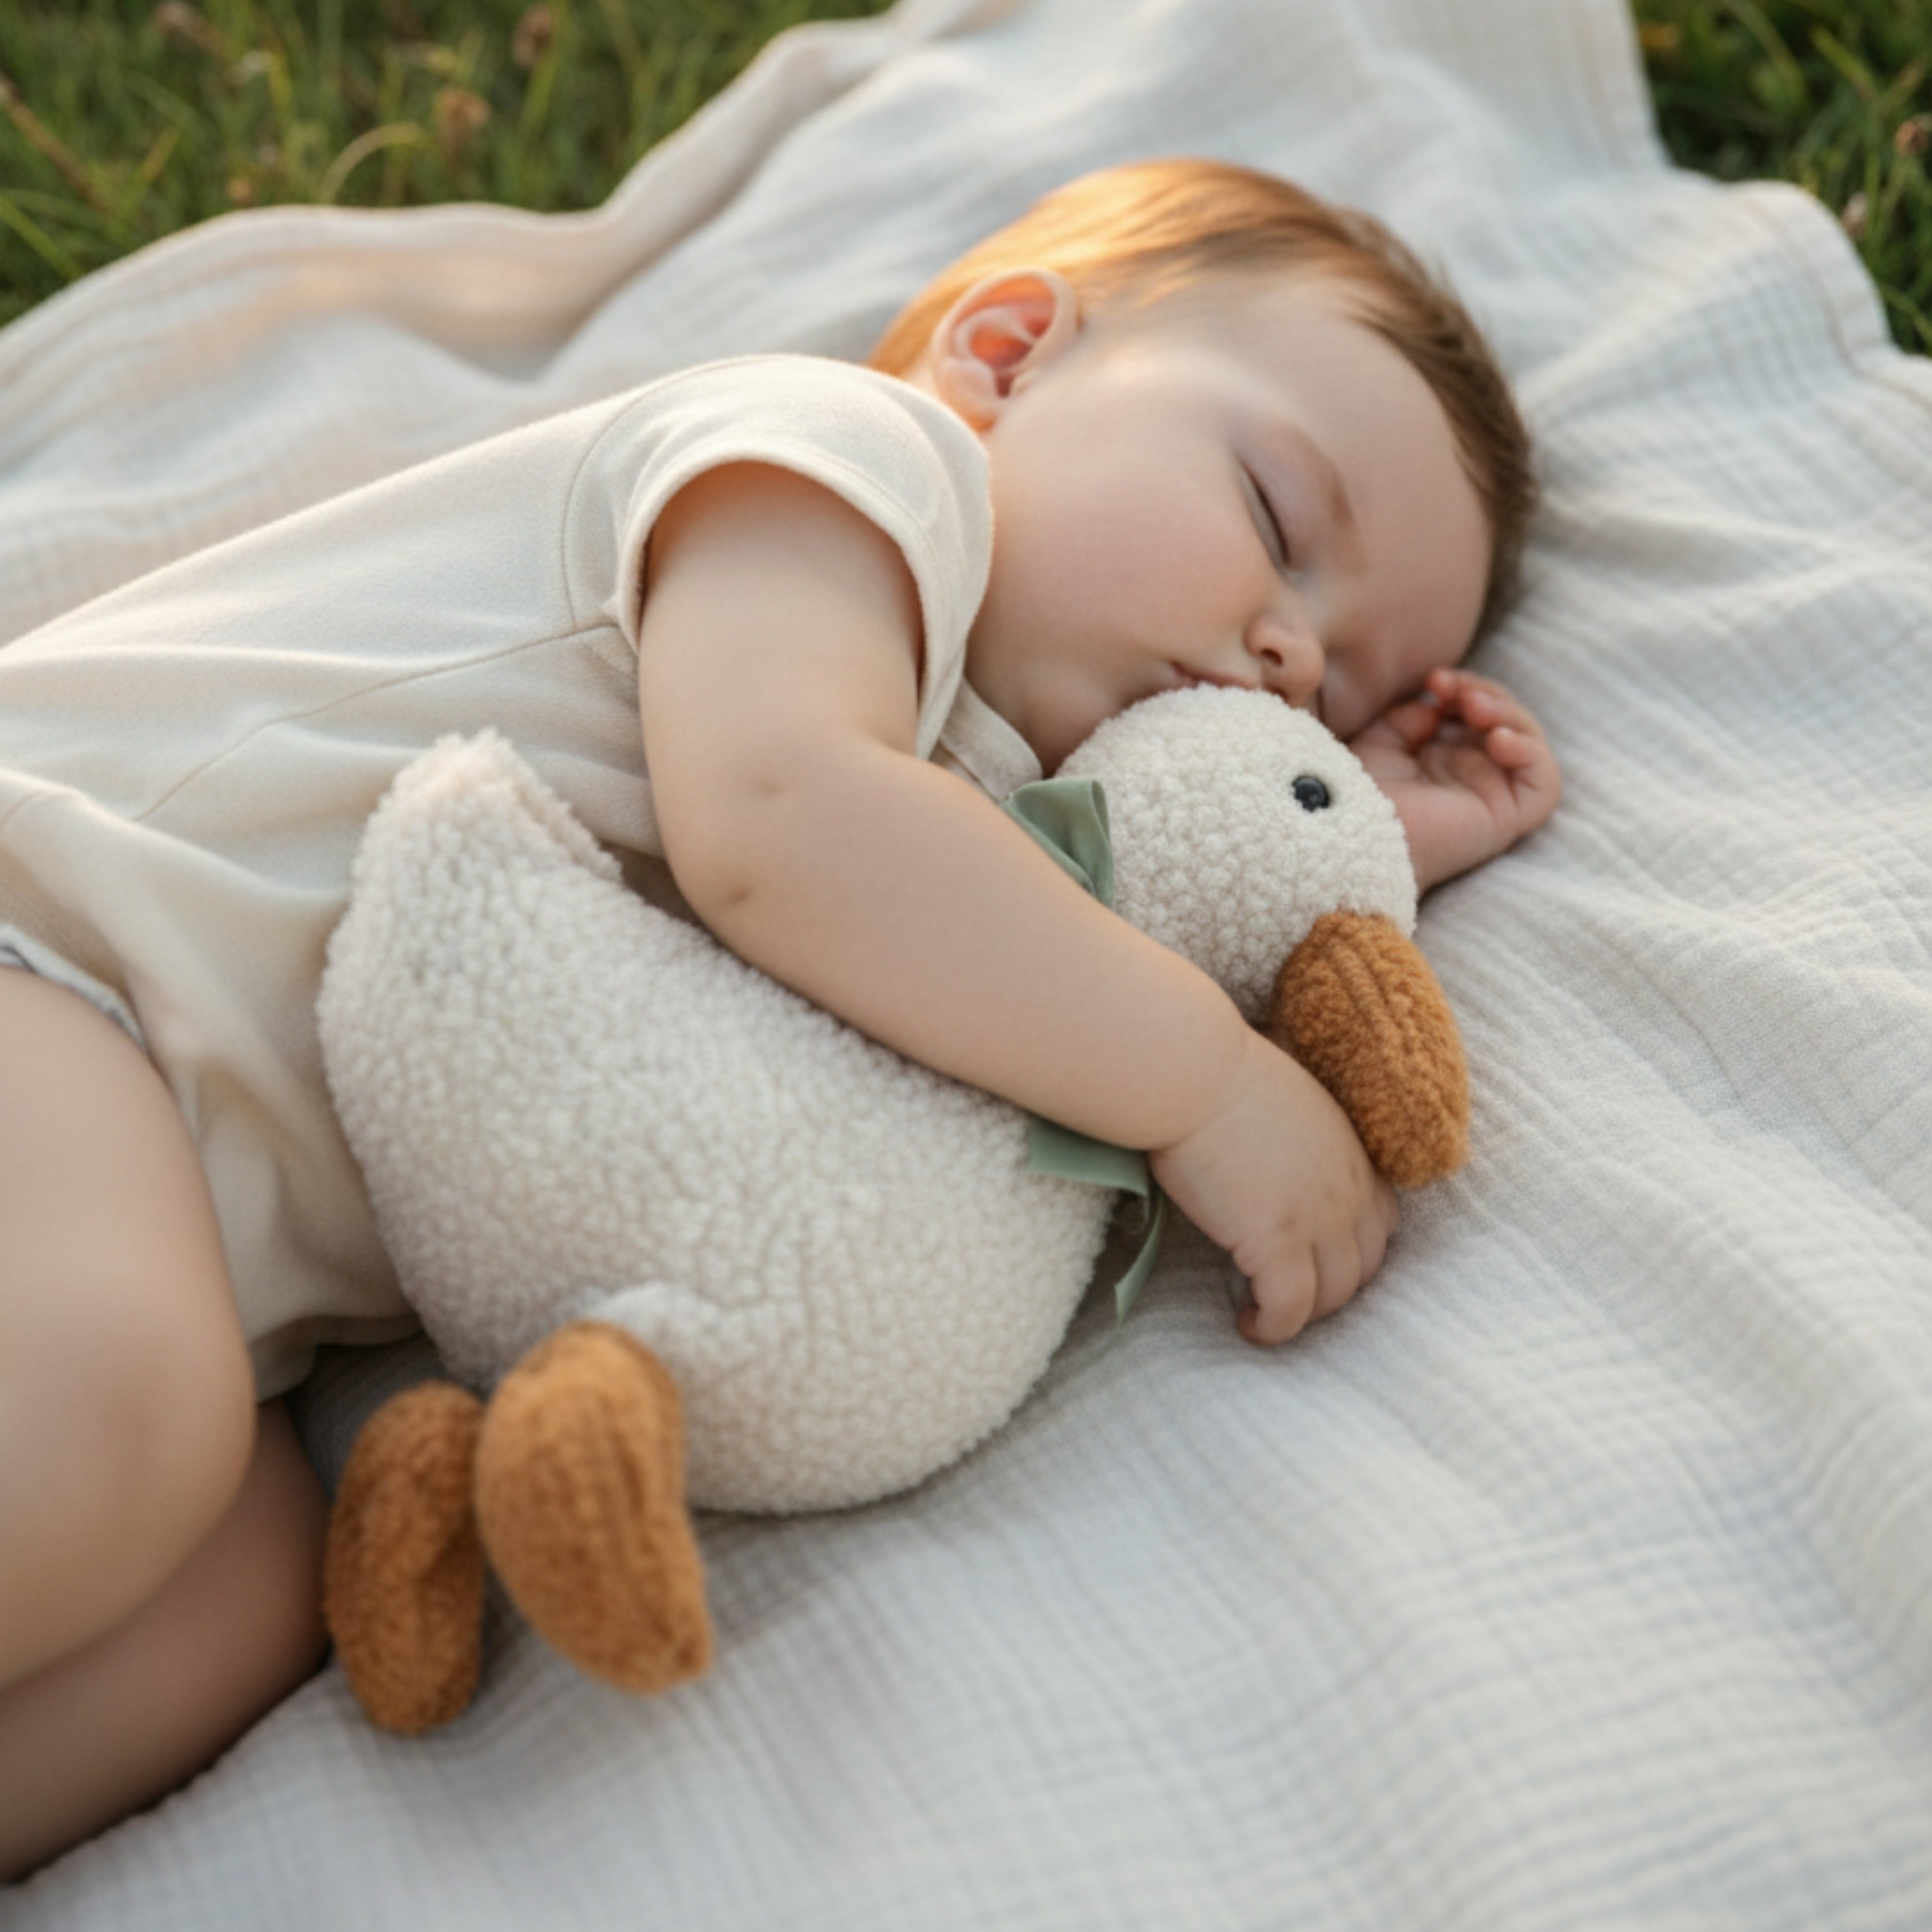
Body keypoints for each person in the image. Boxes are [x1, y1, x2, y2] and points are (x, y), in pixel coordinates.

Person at [0, 157, 1556, 1876]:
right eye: (1276, 520)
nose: (1286, 654)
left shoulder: (970, 809)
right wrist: (1206, 1074)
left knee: (239, 1594)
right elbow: (779, 819)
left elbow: (1020, 909)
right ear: (1015, 352)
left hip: (168, 1214)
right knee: (129, 1414)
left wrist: (1337, 835)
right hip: (52, 955)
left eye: (1340, 686)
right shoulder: (840, 470)